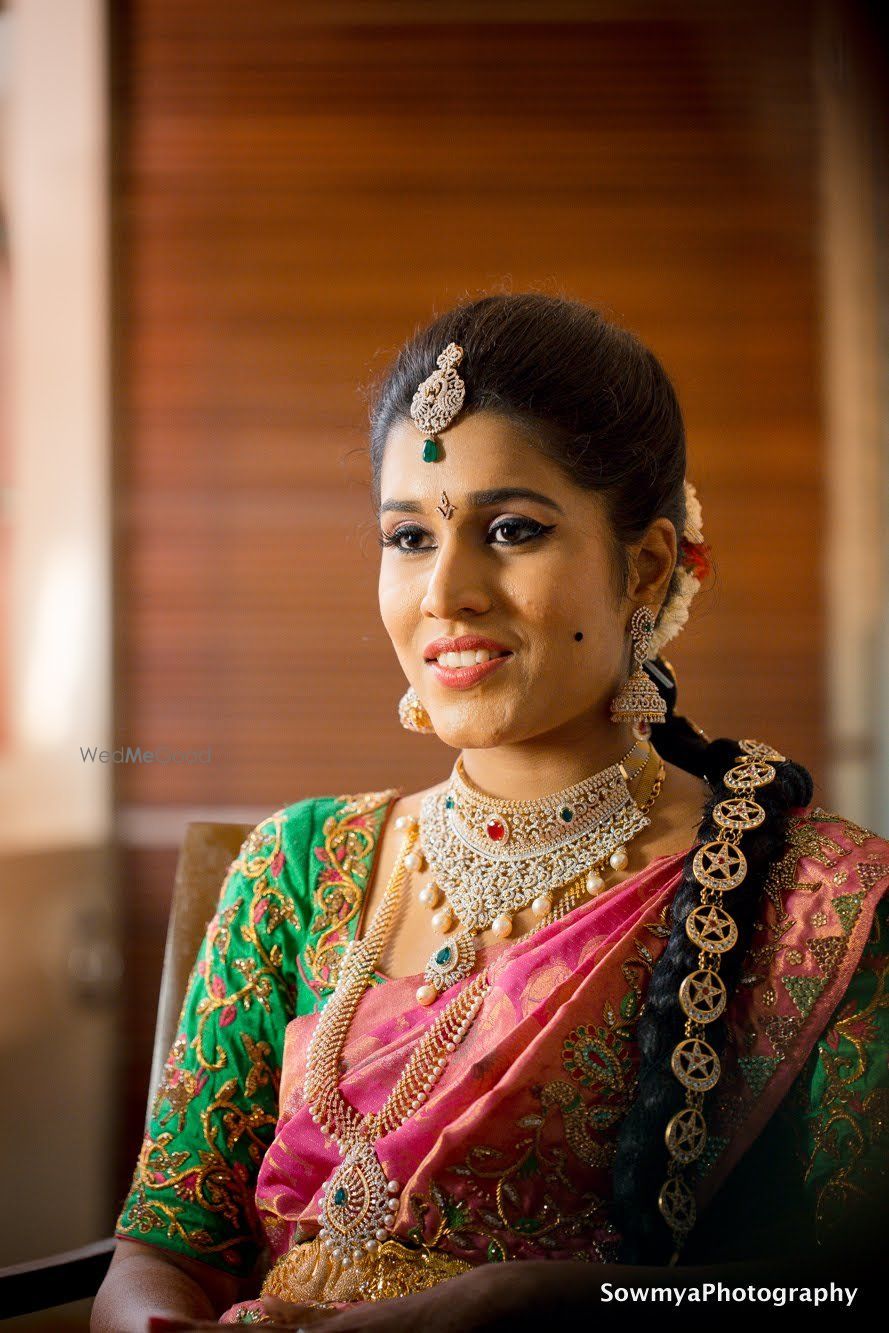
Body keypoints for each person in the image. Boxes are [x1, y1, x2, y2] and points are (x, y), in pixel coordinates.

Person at [92, 294, 887, 1331]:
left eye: (511, 530)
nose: (448, 591)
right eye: (409, 536)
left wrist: (540, 1304)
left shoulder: (815, 906)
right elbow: (163, 1246)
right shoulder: (295, 866)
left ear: (643, 567)